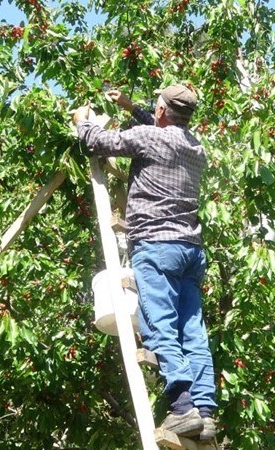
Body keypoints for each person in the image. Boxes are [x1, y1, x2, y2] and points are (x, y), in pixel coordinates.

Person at [72, 85, 217, 441]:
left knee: (160, 325)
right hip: (191, 250)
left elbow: (97, 143)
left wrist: (82, 122)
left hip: (156, 245)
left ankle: (182, 408)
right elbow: (160, 126)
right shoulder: (196, 147)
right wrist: (129, 106)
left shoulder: (149, 138)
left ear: (163, 111)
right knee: (192, 330)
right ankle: (206, 410)